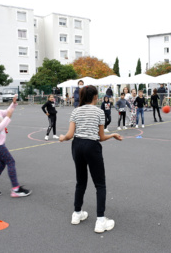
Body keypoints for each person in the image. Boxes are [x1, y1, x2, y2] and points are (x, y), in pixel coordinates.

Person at [59, 85, 122, 233]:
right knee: (100, 184)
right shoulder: (99, 112)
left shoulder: (76, 111)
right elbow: (100, 137)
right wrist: (113, 135)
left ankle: (76, 213)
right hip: (92, 146)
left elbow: (69, 135)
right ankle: (100, 221)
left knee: (80, 181)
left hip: (77, 145)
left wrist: (62, 138)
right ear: (95, 96)